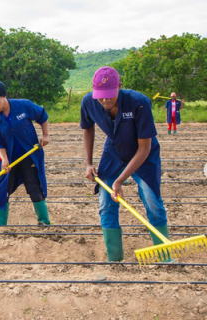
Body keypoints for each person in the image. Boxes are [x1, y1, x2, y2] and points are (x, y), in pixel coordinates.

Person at [81, 66, 172, 262]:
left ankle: (165, 256)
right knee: (106, 203)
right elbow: (88, 128)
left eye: (109, 95)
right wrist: (88, 163)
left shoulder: (139, 103)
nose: (105, 100)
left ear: (119, 87)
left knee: (152, 201)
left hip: (144, 155)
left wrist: (120, 181)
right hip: (114, 150)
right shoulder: (89, 102)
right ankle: (114, 259)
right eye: (100, 96)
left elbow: (144, 149)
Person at [0, 81, 51, 226]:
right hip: (7, 159)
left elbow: (42, 115)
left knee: (34, 186)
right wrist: (4, 159)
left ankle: (44, 222)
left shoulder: (23, 105)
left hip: (29, 155)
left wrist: (45, 135)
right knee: (2, 189)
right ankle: (0, 224)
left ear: (2, 97)